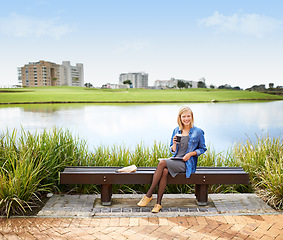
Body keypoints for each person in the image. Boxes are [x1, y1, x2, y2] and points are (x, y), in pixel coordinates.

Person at [137, 106, 207, 213]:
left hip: (187, 163)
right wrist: (174, 144)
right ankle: (158, 204)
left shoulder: (198, 131)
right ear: (180, 118)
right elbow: (173, 150)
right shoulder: (176, 130)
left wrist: (190, 154)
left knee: (162, 163)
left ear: (192, 117)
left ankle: (149, 194)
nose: (186, 119)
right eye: (184, 116)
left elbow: (202, 149)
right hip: (176, 160)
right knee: (164, 171)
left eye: (188, 116)